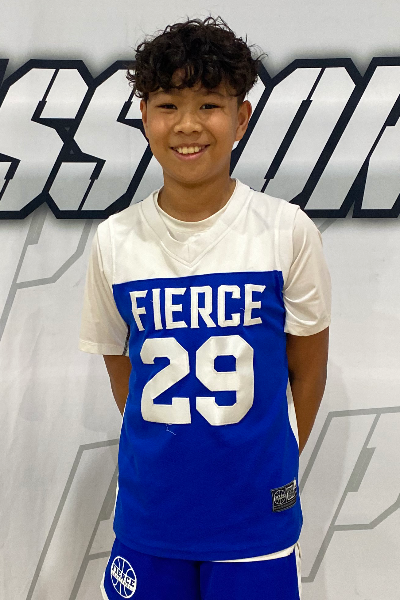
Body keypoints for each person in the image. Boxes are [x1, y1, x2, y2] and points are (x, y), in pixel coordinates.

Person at [78, 14, 331, 600]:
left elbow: (308, 372)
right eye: (168, 105)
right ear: (145, 116)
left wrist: (265, 467)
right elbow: (122, 367)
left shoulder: (286, 230)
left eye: (209, 105)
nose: (188, 125)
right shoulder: (114, 240)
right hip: (151, 517)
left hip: (255, 518)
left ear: (241, 117)